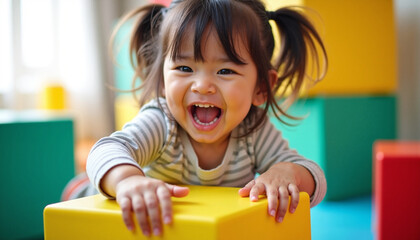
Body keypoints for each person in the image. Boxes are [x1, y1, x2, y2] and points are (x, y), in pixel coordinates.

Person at [85, 0, 328, 237]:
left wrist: (288, 173)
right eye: (184, 68)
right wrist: (128, 181)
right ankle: (78, 187)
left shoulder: (252, 131)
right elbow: (106, 150)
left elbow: (316, 179)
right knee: (83, 191)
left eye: (225, 71)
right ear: (161, 78)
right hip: (150, 225)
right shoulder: (162, 122)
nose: (202, 86)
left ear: (261, 87)